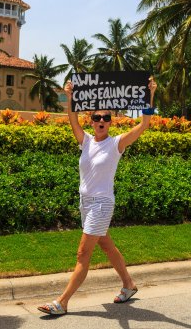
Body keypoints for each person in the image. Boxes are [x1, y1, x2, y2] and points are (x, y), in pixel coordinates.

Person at [37, 77, 157, 316]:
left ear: (111, 122)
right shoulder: (86, 141)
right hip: (86, 202)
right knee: (106, 244)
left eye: (106, 118)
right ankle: (129, 284)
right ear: (91, 121)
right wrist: (70, 97)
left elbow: (144, 124)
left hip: (102, 204)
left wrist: (150, 94)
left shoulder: (117, 143)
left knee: (83, 254)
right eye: (96, 118)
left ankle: (62, 302)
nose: (101, 121)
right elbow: (71, 118)